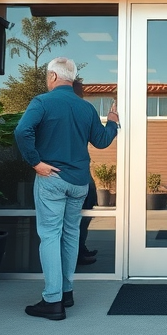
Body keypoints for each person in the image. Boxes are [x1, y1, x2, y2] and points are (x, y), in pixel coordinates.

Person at [14, 57, 119, 321]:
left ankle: (52, 300)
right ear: (71, 79)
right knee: (71, 235)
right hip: (79, 182)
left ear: (52, 77)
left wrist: (36, 162)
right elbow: (103, 141)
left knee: (50, 235)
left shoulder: (42, 102)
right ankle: (67, 292)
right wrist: (114, 121)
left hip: (52, 179)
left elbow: (22, 131)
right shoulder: (86, 108)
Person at [71, 79, 98, 266]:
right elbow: (101, 140)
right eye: (81, 88)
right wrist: (112, 123)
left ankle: (81, 248)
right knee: (76, 220)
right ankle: (77, 253)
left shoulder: (81, 109)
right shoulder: (80, 109)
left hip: (83, 175)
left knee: (85, 214)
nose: (83, 92)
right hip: (74, 177)